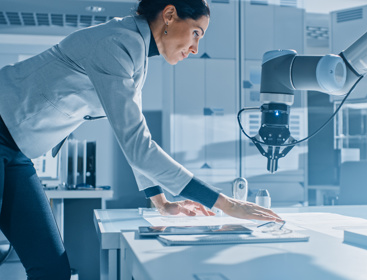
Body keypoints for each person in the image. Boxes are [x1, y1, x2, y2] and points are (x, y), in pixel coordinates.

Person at [0, 0, 283, 278]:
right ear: (169, 14)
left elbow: (134, 136)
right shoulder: (115, 44)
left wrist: (161, 202)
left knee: (51, 269)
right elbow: (138, 146)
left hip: (17, 153)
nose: (196, 49)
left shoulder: (133, 52)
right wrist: (225, 203)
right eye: (196, 32)